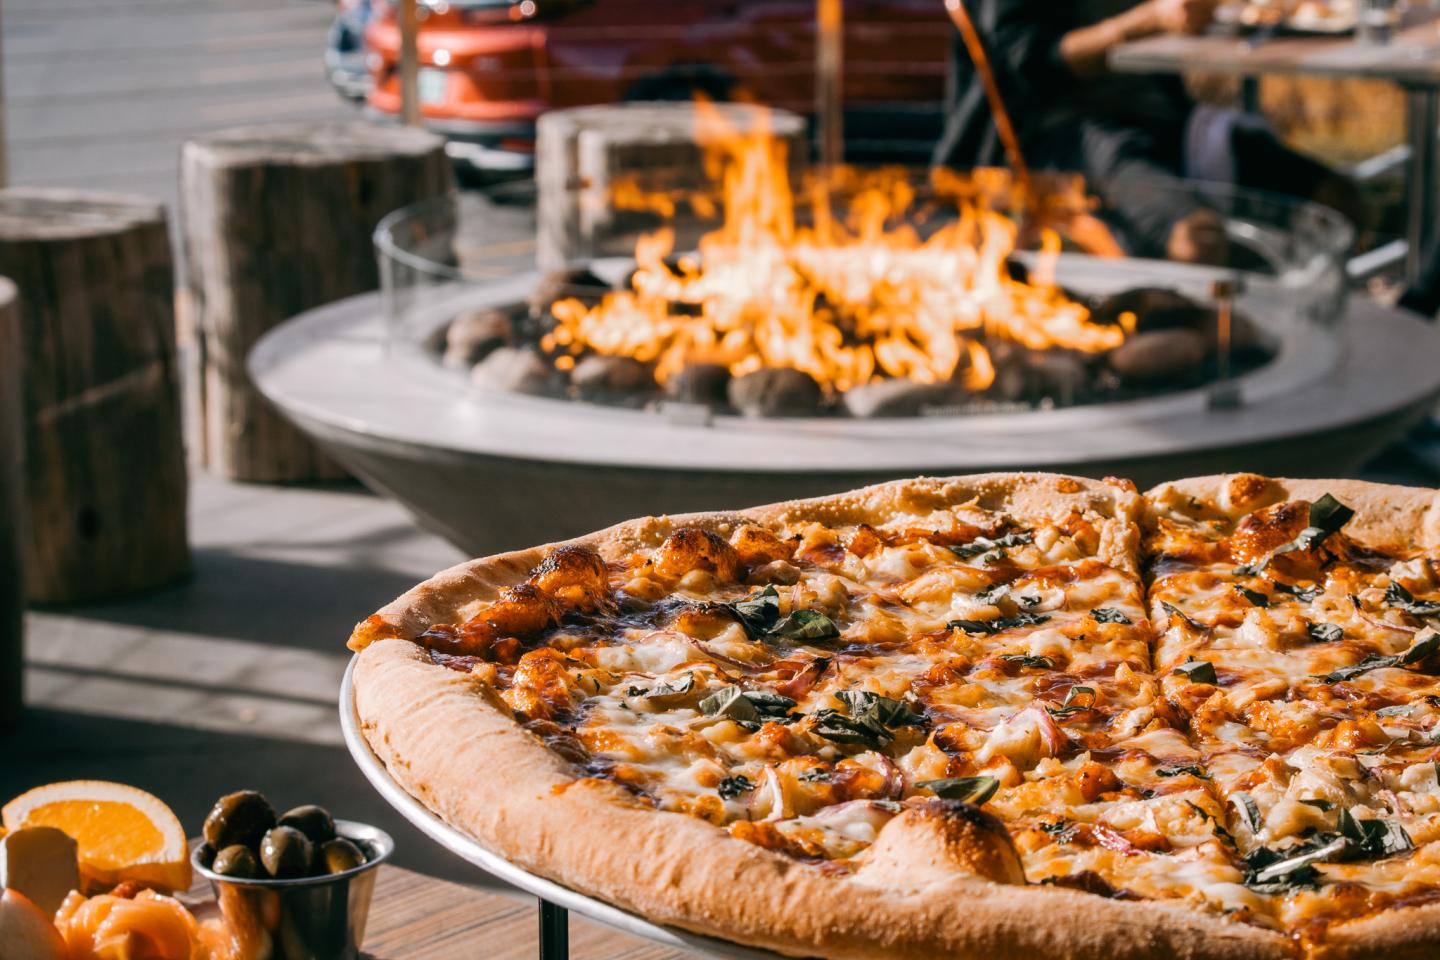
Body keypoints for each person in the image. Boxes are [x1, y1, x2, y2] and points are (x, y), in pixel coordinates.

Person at [932, 0, 1366, 262]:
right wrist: (1144, 21)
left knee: (1341, 200)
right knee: (1196, 240)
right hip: (1060, 136)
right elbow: (1028, 66)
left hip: (1169, 121)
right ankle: (1193, 354)